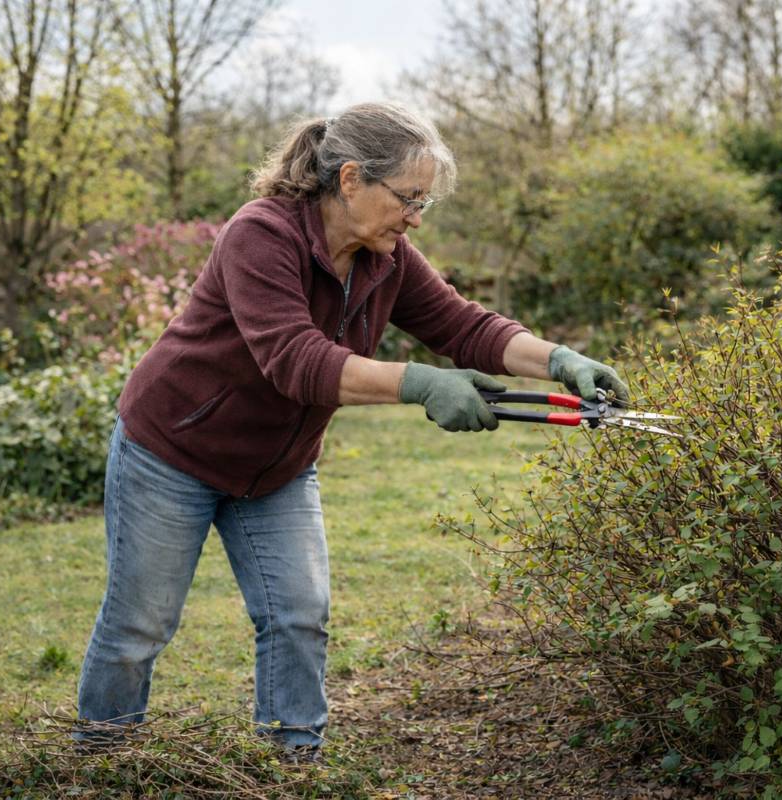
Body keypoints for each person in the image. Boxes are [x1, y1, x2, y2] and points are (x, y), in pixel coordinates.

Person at [73, 102, 628, 762]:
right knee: (142, 624)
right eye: (408, 199)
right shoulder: (261, 235)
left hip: (275, 470)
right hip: (173, 451)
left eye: (423, 202)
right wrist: (420, 384)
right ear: (352, 179)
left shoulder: (385, 257)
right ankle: (99, 762)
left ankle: (291, 766)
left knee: (298, 614)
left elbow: (465, 326)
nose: (416, 218)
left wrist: (559, 360)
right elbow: (294, 360)